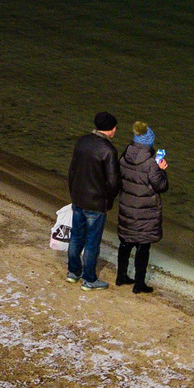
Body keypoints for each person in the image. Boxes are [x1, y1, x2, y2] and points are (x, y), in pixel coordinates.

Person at [66, 113, 123, 289]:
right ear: (111, 129)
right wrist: (109, 200)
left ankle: (73, 272)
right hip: (96, 203)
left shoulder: (82, 142)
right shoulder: (108, 150)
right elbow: (113, 182)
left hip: (79, 198)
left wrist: (73, 192)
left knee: (76, 237)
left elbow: (72, 171)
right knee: (92, 242)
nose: (115, 130)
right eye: (115, 127)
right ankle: (89, 279)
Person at [114, 121, 170, 293]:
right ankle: (139, 284)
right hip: (146, 211)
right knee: (143, 246)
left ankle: (121, 276)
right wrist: (162, 170)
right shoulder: (152, 163)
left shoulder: (124, 157)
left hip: (127, 207)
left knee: (125, 243)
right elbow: (161, 186)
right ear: (148, 143)